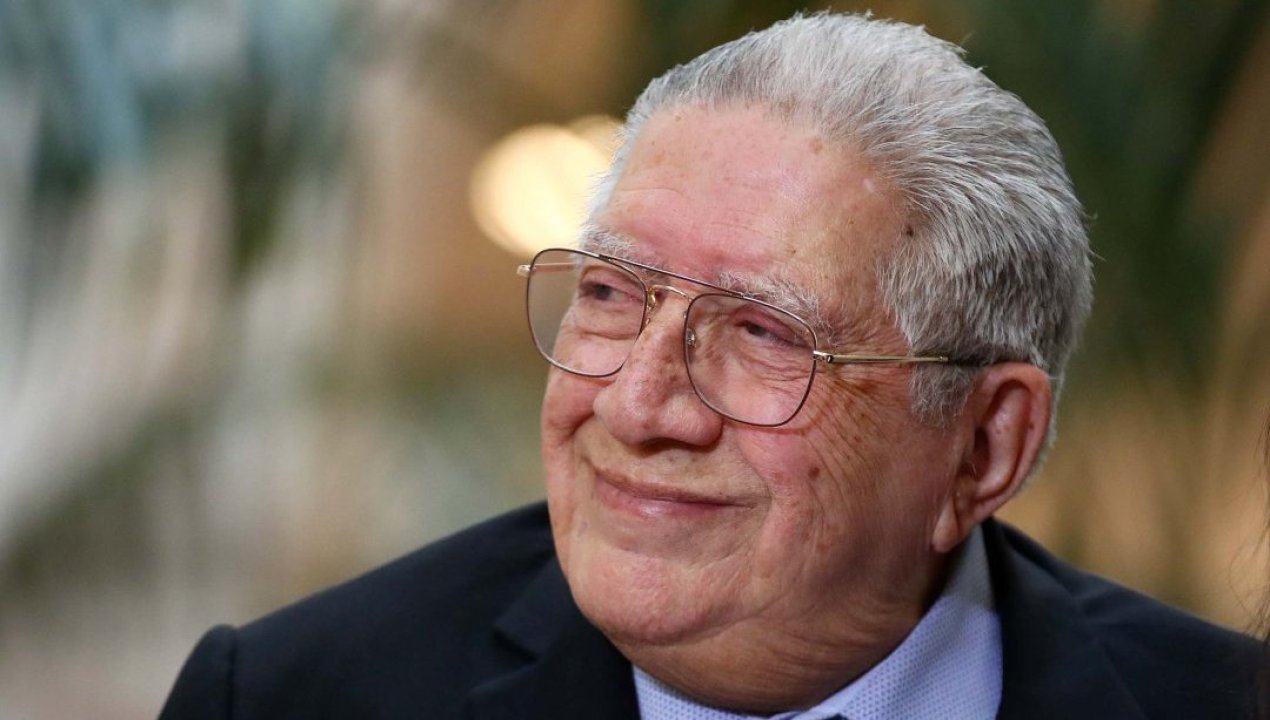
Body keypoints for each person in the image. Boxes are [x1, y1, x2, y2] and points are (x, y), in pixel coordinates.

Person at [159, 12, 1258, 719]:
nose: (637, 407)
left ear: (982, 446)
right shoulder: (290, 697)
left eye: (764, 334)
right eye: (609, 295)